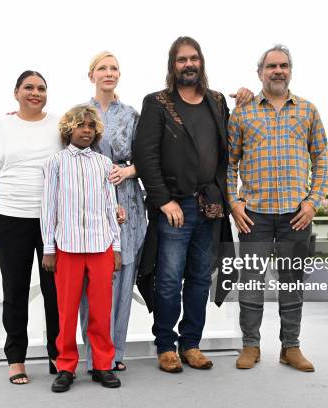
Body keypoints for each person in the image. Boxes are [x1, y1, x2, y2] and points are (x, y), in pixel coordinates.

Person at [134, 36, 250, 373]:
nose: (189, 64)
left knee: (201, 277)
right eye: (182, 59)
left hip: (210, 205)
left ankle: (191, 344)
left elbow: (231, 143)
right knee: (169, 278)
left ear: (201, 63)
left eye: (194, 58)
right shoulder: (156, 103)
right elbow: (146, 155)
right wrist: (163, 200)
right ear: (173, 65)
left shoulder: (216, 101)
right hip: (175, 206)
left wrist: (246, 101)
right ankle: (166, 346)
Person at [227, 44, 328, 372]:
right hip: (254, 215)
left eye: (284, 65)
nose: (278, 71)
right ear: (260, 73)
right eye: (271, 66)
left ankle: (291, 347)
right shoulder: (242, 112)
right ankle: (250, 346)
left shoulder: (308, 110)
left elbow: (322, 158)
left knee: (292, 284)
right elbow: (229, 164)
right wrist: (233, 202)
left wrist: (313, 203)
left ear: (290, 71)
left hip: (296, 216)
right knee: (252, 283)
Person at [0, 70, 62, 384]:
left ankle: (57, 355)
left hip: (53, 222)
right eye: (29, 87)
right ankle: (16, 358)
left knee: (55, 293)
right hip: (10, 218)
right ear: (16, 92)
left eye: (41, 88)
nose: (35, 93)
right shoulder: (0, 126)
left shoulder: (59, 125)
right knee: (15, 291)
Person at [41, 105, 122, 392]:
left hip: (101, 246)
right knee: (66, 311)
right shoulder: (55, 163)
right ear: (69, 130)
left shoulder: (103, 164)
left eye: (90, 126)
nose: (86, 130)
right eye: (80, 126)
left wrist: (116, 246)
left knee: (101, 310)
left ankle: (102, 365)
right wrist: (49, 248)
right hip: (67, 247)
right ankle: (65, 366)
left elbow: (110, 206)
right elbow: (48, 208)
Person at [78, 51, 147, 373]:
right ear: (91, 74)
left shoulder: (133, 115)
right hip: (90, 202)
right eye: (102, 68)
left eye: (114, 68)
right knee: (92, 281)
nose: (109, 73)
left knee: (122, 280)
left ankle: (115, 353)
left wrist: (130, 171)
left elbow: (149, 158)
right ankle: (94, 356)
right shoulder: (79, 114)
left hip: (128, 201)